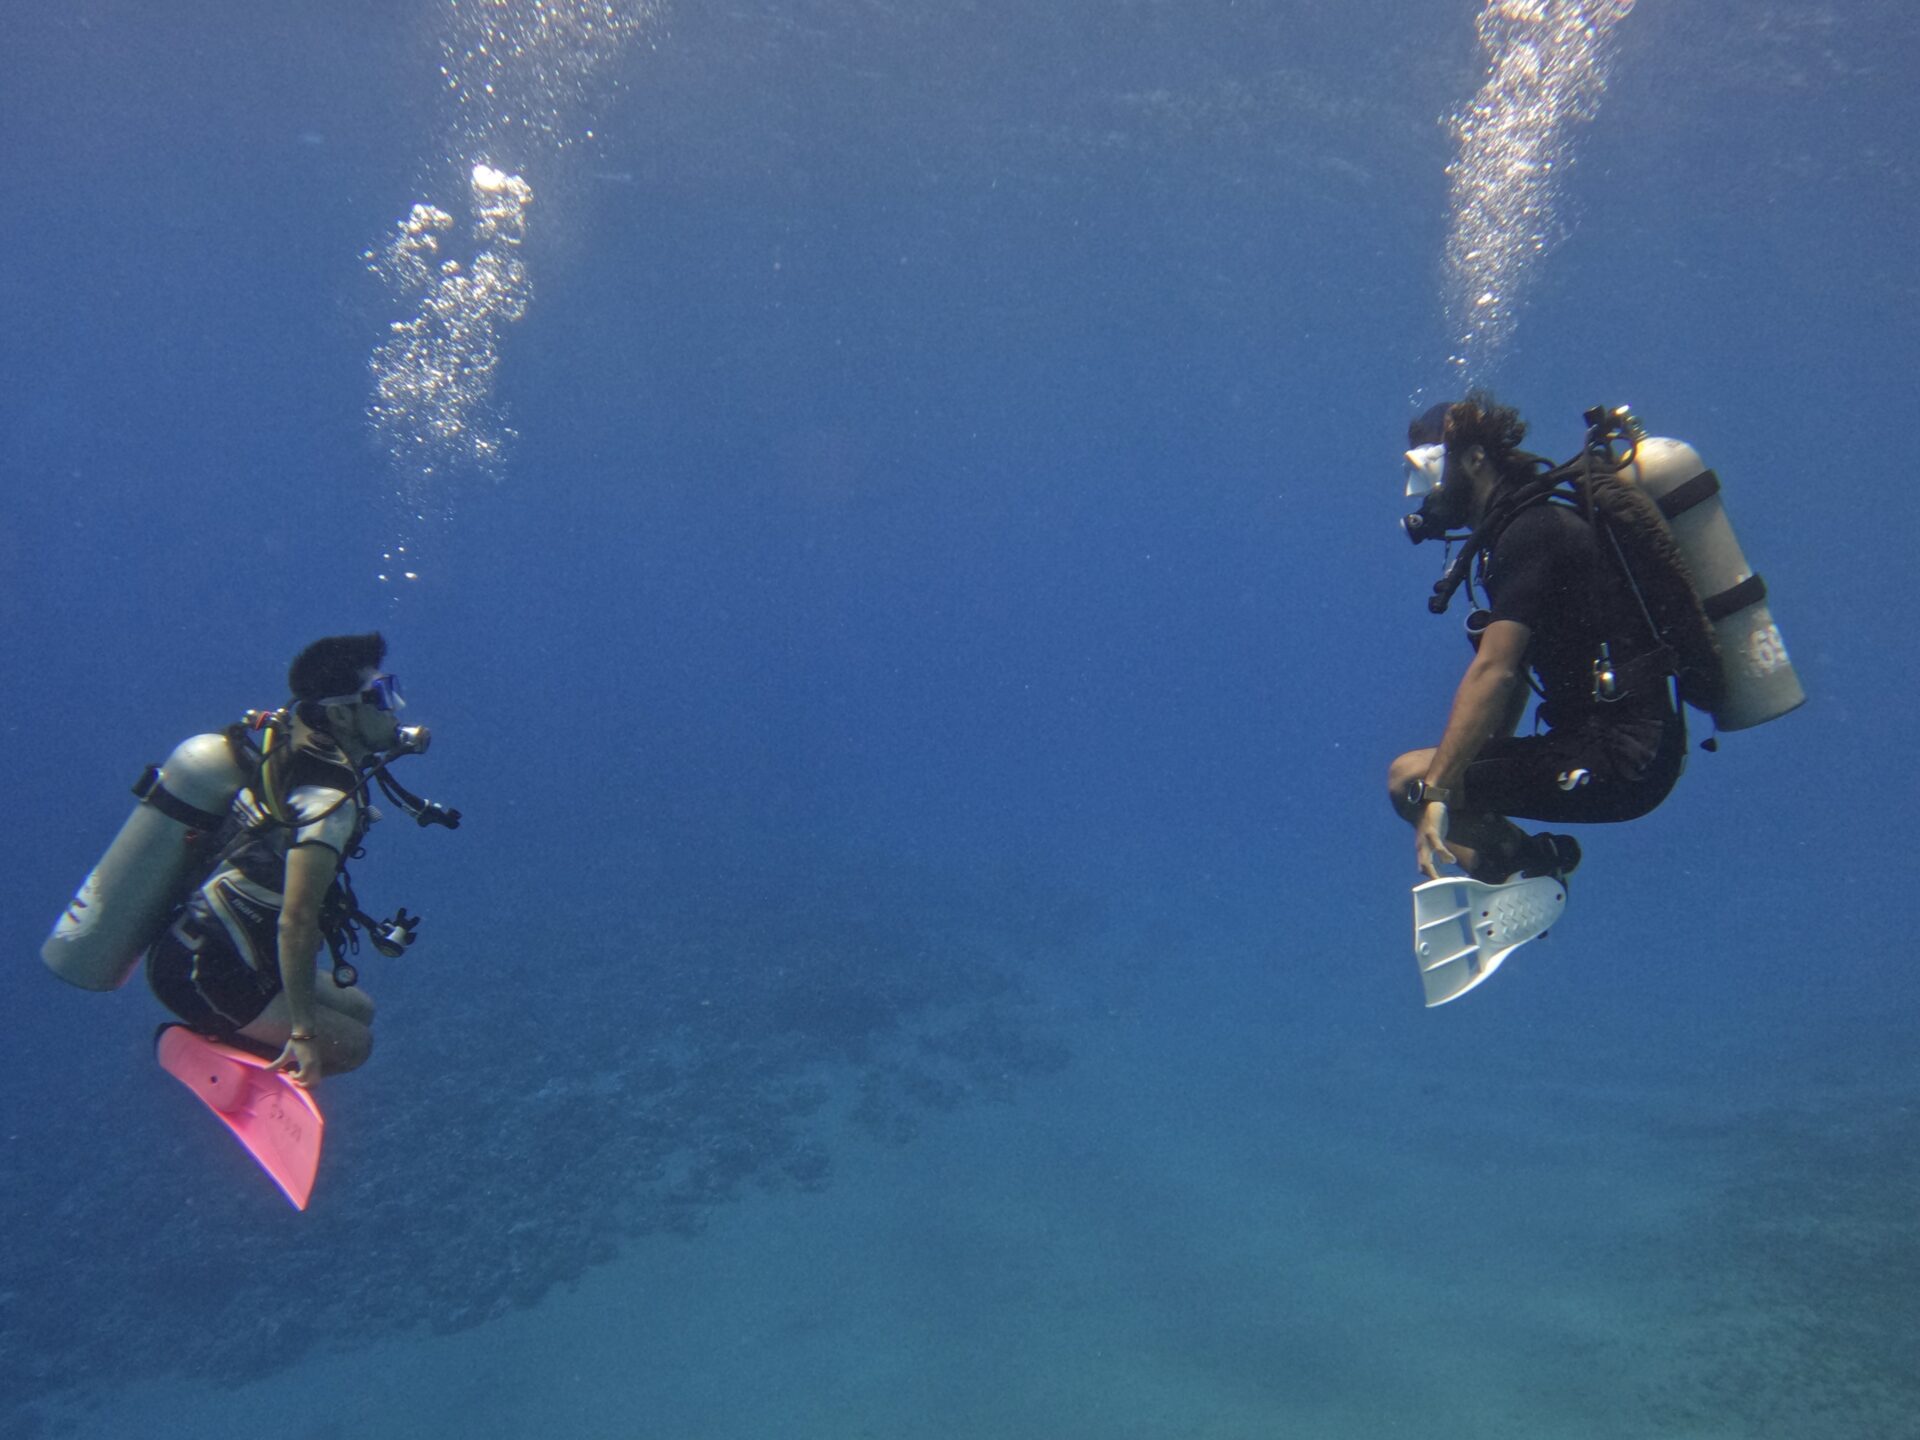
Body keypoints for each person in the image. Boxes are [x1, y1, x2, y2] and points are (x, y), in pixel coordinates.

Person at [1387, 393, 1690, 884]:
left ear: (1475, 459)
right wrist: (1472, 782)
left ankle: (1528, 868)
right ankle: (1508, 876)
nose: (1425, 494)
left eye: (1429, 471)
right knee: (1429, 779)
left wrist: (1442, 792)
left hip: (1625, 757)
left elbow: (1497, 671)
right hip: (1608, 746)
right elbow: (1514, 676)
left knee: (1413, 782)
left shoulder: (1531, 531)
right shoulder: (1518, 532)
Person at [145, 633, 423, 1086]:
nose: (397, 706)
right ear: (340, 714)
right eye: (381, 694)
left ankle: (257, 1029)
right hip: (202, 969)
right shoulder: (326, 803)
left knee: (361, 1009)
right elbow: (297, 919)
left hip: (224, 946)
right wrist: (303, 1034)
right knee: (353, 1046)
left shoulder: (297, 736)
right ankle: (213, 1054)